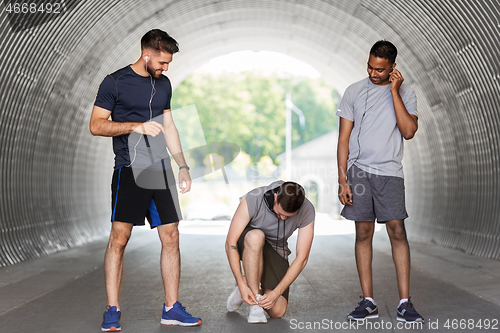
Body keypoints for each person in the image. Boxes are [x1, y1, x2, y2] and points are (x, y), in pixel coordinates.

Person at [89, 29, 201, 331]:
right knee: (120, 238)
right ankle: (112, 309)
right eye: (162, 62)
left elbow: (169, 125)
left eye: (169, 64)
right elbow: (96, 126)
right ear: (146, 54)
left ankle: (171, 307)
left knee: (171, 235)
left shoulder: (164, 84)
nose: (166, 68)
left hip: (160, 168)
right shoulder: (115, 82)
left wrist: (183, 165)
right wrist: (135, 127)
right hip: (129, 167)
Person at [336, 40, 423, 323]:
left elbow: (408, 131)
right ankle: (368, 301)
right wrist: (342, 179)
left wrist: (394, 92)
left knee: (397, 231)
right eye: (370, 67)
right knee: (363, 233)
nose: (374, 73)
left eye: (380, 70)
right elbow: (344, 138)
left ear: (393, 68)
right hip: (359, 172)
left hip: (390, 173)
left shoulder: (406, 94)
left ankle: (405, 303)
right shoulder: (353, 92)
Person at [225, 181, 315, 323]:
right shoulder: (253, 198)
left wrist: (276, 293)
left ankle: (249, 284)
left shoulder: (307, 209)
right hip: (249, 241)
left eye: (289, 216)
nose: (283, 218)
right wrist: (239, 283)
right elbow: (230, 243)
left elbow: (302, 258)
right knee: (256, 236)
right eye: (280, 213)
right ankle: (253, 302)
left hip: (276, 249)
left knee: (277, 310)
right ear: (275, 197)